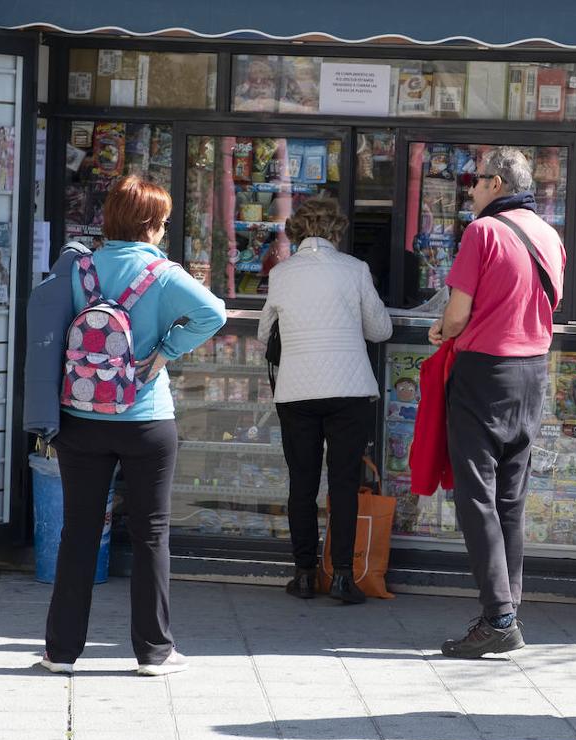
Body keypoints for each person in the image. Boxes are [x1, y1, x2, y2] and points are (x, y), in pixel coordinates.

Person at [40, 176, 226, 676]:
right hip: (145, 420)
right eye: (162, 222)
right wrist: (166, 351)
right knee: (150, 534)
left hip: (81, 416)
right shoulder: (162, 274)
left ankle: (61, 652)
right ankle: (154, 652)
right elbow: (214, 313)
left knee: (78, 533)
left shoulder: (80, 268)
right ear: (152, 225)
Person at [427, 147, 565, 658]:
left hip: (485, 370)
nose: (471, 188)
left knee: (476, 495)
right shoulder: (549, 235)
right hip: (532, 371)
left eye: (477, 180)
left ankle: (499, 616)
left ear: (498, 183)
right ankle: (508, 607)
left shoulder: (483, 232)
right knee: (510, 497)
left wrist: (441, 329)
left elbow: (458, 314)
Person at [259, 197, 392, 604]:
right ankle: (342, 578)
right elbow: (380, 329)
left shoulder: (282, 274)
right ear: (337, 231)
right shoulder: (355, 270)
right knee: (344, 483)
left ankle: (302, 574)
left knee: (302, 483)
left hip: (296, 392)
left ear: (297, 231)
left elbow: (266, 333)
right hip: (348, 391)